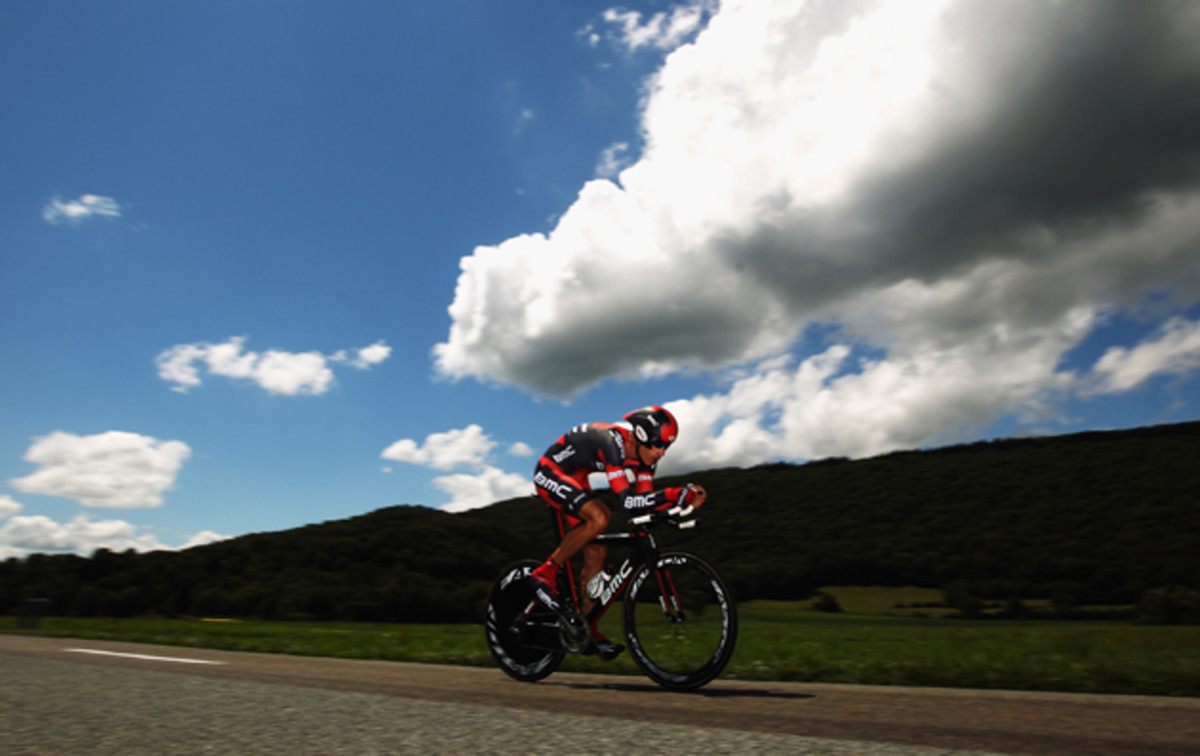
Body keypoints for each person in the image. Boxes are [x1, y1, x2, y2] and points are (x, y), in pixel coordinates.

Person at [528, 405, 706, 660]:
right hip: (552, 472)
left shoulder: (646, 460)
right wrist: (673, 494)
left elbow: (643, 501)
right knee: (601, 517)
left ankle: (585, 629)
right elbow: (627, 503)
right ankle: (544, 573)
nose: (661, 453)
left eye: (666, 447)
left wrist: (680, 502)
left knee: (597, 549)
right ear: (642, 435)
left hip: (577, 477)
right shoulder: (614, 445)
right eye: (658, 444)